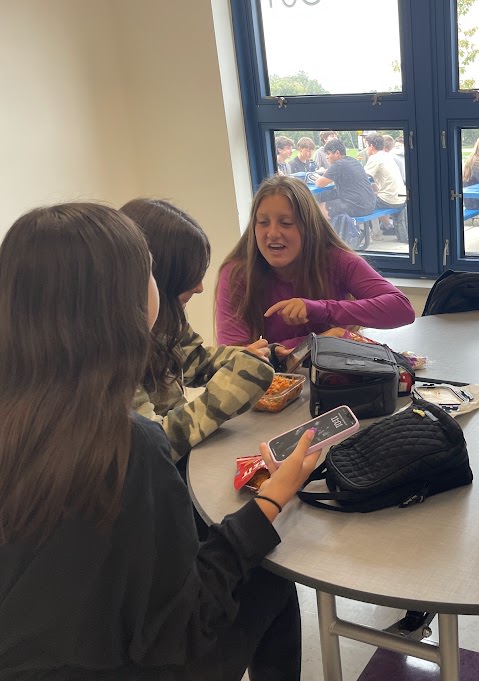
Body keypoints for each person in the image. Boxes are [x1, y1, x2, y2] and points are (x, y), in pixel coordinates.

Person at [0, 202, 322, 679]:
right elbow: (182, 625)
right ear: (125, 302)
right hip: (122, 664)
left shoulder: (26, 414)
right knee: (270, 582)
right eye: (148, 271)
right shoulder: (127, 446)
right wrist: (271, 502)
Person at [121, 198, 277, 463]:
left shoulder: (165, 319)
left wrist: (249, 357)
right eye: (189, 276)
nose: (200, 288)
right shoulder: (114, 358)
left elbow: (196, 362)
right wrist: (229, 395)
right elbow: (155, 445)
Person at [215, 175, 415, 349]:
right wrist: (317, 343)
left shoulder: (336, 259)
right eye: (263, 222)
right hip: (273, 384)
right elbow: (234, 356)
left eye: (286, 223)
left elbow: (402, 309)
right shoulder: (237, 273)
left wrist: (322, 309)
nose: (273, 233)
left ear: (309, 227)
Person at [314, 138, 376, 219]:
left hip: (358, 207)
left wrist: (314, 177)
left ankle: (330, 230)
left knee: (317, 208)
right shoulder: (353, 160)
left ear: (337, 153)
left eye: (328, 154)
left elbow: (319, 183)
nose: (326, 157)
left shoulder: (338, 165)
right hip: (370, 204)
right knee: (328, 196)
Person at [363, 133, 406, 235]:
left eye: (366, 146)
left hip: (389, 199)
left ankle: (370, 233)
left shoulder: (375, 158)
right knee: (374, 195)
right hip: (401, 197)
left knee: (358, 203)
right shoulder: (387, 155)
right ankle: (387, 226)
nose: (366, 149)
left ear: (371, 146)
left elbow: (362, 178)